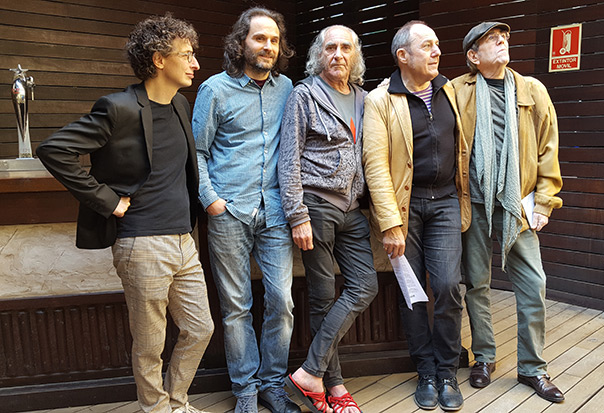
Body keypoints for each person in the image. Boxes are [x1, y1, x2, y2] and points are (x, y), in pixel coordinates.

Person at [36, 15, 214, 413]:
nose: (195, 64)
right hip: (142, 244)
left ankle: (177, 402)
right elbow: (54, 150)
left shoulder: (182, 105)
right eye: (187, 55)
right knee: (150, 344)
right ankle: (156, 409)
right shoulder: (118, 109)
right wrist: (106, 199)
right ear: (158, 59)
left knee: (201, 329)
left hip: (184, 241)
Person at [191, 7, 300, 413]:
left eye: (273, 40)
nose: (268, 46)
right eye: (260, 38)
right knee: (236, 308)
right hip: (229, 213)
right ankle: (246, 393)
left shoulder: (288, 88)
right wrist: (211, 201)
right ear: (241, 43)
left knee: (281, 301)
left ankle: (273, 384)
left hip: (274, 212)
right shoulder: (214, 90)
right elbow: (197, 152)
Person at [452, 21, 564, 403]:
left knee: (534, 286)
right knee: (477, 284)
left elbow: (549, 149)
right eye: (490, 41)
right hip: (475, 204)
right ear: (473, 56)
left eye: (503, 39)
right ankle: (484, 356)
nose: (501, 43)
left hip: (518, 205)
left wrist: (545, 201)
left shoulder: (533, 90)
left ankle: (533, 368)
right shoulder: (457, 91)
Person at [362, 21, 467, 411]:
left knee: (449, 286)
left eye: (438, 44)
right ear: (402, 56)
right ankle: (425, 371)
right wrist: (389, 223)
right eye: (428, 45)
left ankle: (447, 370)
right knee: (413, 294)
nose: (437, 51)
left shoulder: (450, 91)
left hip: (445, 203)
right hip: (406, 208)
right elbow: (375, 166)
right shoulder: (381, 99)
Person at [279, 25, 378, 413]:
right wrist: (297, 214)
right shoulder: (304, 95)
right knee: (322, 299)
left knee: (364, 286)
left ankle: (309, 371)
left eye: (345, 47)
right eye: (330, 47)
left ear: (355, 55)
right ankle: (334, 389)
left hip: (353, 210)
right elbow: (288, 159)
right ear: (319, 54)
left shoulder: (366, 98)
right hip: (317, 207)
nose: (338, 53)